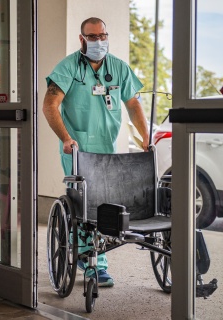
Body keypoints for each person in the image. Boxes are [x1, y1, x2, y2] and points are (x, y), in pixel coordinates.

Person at [43, 17, 149, 287]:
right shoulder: (68, 68)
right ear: (82, 39)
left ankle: (89, 254)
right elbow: (50, 105)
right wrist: (65, 138)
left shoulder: (118, 68)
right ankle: (95, 264)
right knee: (85, 205)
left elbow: (133, 105)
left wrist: (146, 139)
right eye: (93, 37)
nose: (99, 41)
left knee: (104, 203)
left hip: (106, 150)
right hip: (76, 149)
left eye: (103, 36)